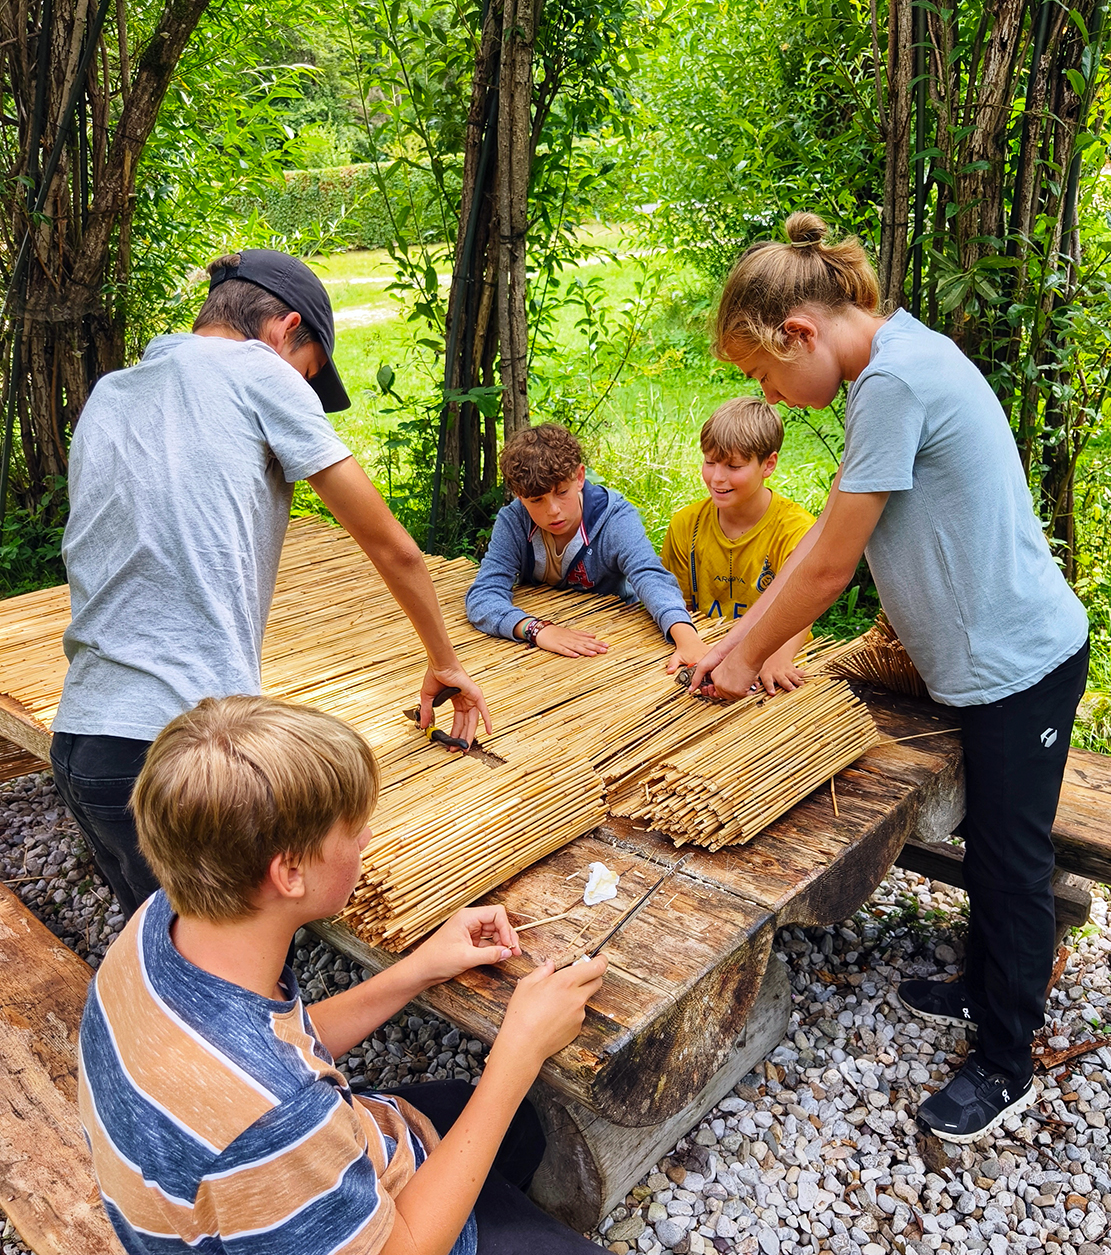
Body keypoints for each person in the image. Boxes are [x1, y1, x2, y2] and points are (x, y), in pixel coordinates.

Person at [77, 695, 715, 1255]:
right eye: (355, 830)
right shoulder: (270, 1115)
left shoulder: (162, 926)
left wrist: (418, 968)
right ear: (290, 871)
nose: (369, 840)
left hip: (298, 1194)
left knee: (523, 1135)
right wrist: (512, 1054)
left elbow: (287, 1039)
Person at [690, 212, 1089, 1144]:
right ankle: (980, 987)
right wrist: (744, 640)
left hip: (1020, 665)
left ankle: (1004, 1059)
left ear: (801, 332)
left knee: (1010, 862)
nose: (772, 396)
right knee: (992, 847)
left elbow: (831, 565)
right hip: (984, 670)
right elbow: (832, 534)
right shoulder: (892, 363)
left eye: (763, 376)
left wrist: (745, 659)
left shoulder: (895, 382)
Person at [51, 249, 489, 921]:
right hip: (182, 758)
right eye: (307, 373)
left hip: (82, 743)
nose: (302, 388)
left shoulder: (111, 393)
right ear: (285, 330)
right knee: (231, 979)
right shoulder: (259, 371)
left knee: (162, 967)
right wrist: (444, 661)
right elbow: (393, 548)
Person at [465, 423, 705, 671]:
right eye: (537, 500)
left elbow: (649, 575)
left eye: (561, 492)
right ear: (518, 494)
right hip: (539, 658)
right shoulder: (513, 521)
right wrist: (536, 629)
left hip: (615, 644)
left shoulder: (615, 518)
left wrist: (687, 639)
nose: (553, 510)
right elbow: (483, 596)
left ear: (579, 477)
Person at [661, 395, 816, 692]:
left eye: (733, 466)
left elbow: (803, 604)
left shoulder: (795, 530)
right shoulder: (686, 525)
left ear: (768, 464)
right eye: (710, 462)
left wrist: (780, 656)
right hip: (706, 653)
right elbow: (676, 602)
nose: (717, 478)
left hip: (777, 658)